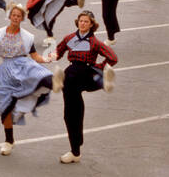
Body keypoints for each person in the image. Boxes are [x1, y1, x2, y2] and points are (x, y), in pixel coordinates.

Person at [0, 3, 56, 155]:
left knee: (45, 78)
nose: (15, 18)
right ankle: (9, 140)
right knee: (5, 108)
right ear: (9, 17)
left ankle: (66, 84)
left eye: (18, 16)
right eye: (13, 15)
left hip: (24, 65)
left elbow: (35, 57)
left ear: (22, 19)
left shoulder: (27, 37)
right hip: (6, 72)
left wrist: (47, 59)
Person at [47, 9, 117, 164]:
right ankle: (75, 150)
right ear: (77, 22)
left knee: (91, 76)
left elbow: (113, 57)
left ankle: (103, 80)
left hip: (86, 71)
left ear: (92, 25)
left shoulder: (95, 42)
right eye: (81, 21)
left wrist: (100, 65)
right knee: (72, 115)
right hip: (72, 75)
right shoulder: (69, 38)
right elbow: (58, 51)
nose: (83, 23)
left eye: (86, 21)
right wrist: (52, 56)